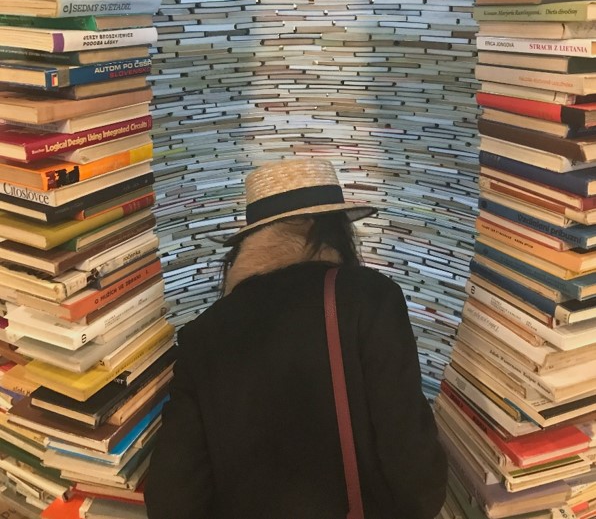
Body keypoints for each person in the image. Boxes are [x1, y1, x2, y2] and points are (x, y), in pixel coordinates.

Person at [145, 158, 447, 519]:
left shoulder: (204, 331)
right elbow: (415, 472)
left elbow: (171, 500)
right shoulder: (368, 298)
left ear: (252, 240)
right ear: (334, 231)